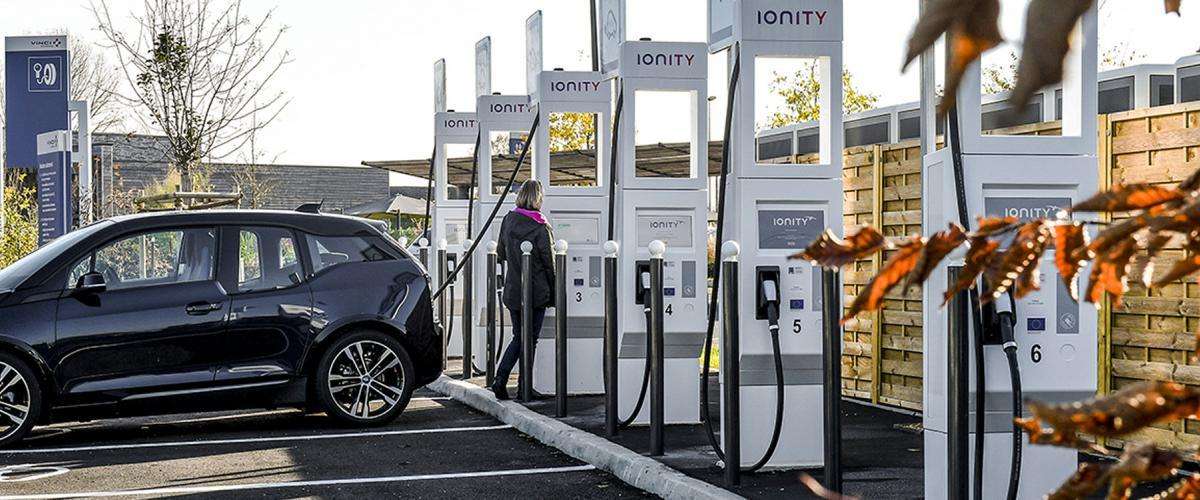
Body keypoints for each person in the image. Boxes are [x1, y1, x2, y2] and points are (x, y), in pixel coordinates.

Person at [489, 180, 556, 401]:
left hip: (513, 291)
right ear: (538, 197)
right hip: (536, 293)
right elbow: (550, 263)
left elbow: (501, 253)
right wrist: (555, 293)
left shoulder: (508, 220)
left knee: (519, 337)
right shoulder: (540, 226)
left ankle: (505, 380)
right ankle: (519, 385)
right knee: (529, 339)